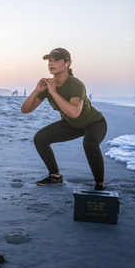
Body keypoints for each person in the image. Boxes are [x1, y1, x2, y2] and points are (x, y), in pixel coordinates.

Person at [21, 48, 108, 191]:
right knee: (40, 138)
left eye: (56, 60)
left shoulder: (75, 84)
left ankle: (100, 184)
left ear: (67, 63)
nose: (51, 64)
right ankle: (55, 176)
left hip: (94, 122)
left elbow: (74, 112)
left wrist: (53, 92)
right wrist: (37, 90)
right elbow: (25, 109)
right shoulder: (48, 85)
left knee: (90, 144)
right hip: (72, 124)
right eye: (49, 61)